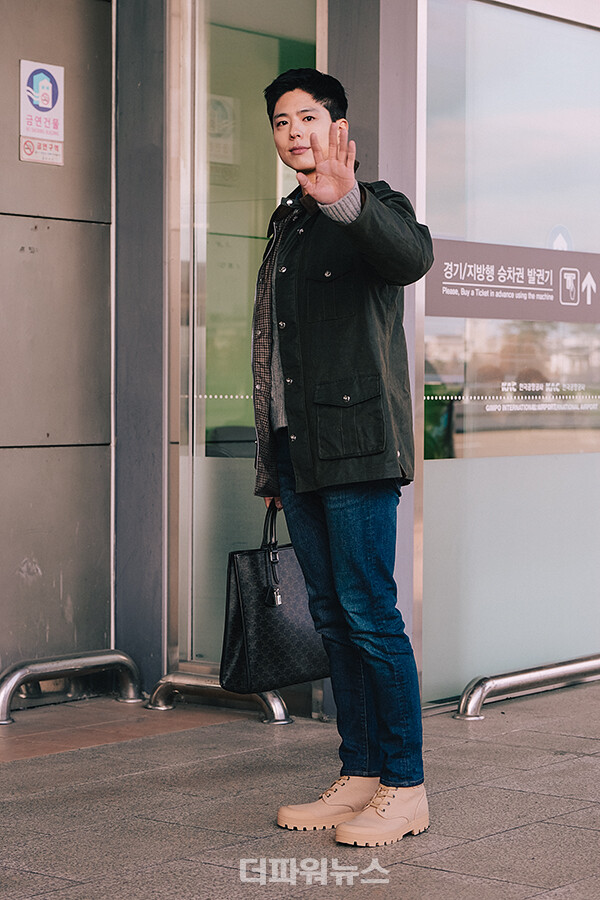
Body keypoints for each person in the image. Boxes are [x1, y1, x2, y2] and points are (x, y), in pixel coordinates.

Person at [251, 68, 434, 847]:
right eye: (282, 121)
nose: (294, 131)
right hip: (300, 456)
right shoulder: (288, 220)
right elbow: (275, 354)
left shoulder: (372, 203)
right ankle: (359, 771)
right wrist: (273, 464)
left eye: (308, 117)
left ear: (337, 127)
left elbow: (411, 258)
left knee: (369, 614)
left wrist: (347, 201)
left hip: (358, 449)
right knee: (332, 616)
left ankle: (405, 784)